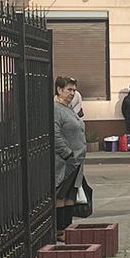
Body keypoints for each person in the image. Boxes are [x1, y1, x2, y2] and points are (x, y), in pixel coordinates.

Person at [53, 76, 87, 240]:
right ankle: (60, 230)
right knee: (61, 195)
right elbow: (55, 134)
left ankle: (68, 229)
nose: (72, 93)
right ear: (59, 90)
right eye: (69, 90)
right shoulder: (56, 109)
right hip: (65, 161)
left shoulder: (69, 108)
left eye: (74, 90)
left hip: (76, 160)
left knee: (70, 196)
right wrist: (67, 153)